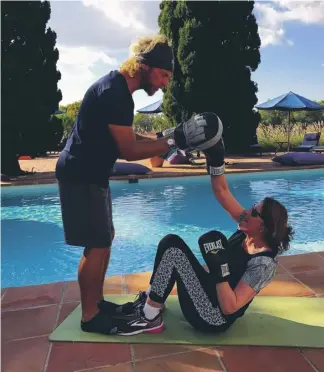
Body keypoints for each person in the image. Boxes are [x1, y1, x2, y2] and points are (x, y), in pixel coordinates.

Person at [55, 34, 224, 335]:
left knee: (103, 240)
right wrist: (174, 140)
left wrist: (169, 139)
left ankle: (97, 303)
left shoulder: (119, 90)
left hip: (91, 173)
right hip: (79, 174)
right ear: (144, 66)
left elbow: (132, 140)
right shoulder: (115, 93)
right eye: (163, 75)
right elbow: (129, 151)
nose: (164, 83)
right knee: (95, 245)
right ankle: (90, 316)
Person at [102, 140, 294, 335]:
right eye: (252, 206)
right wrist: (216, 158)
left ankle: (148, 318)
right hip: (206, 293)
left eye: (254, 211)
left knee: (174, 252)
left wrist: (220, 272)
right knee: (171, 242)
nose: (246, 211)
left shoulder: (263, 264)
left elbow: (230, 307)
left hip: (213, 317)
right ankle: (152, 302)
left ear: (263, 227)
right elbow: (222, 192)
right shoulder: (246, 230)